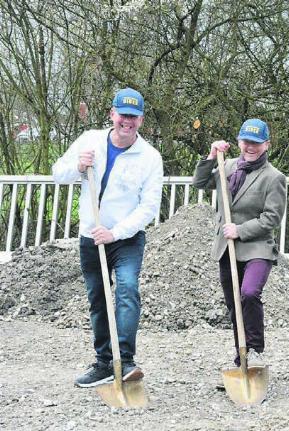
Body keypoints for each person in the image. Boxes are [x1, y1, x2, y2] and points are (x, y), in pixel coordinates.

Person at [52, 88, 163, 387]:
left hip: (126, 240)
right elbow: (57, 173)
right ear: (112, 114)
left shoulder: (150, 157)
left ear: (141, 120)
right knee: (98, 300)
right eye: (122, 115)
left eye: (133, 117)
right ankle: (104, 363)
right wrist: (77, 166)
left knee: (127, 290)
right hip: (91, 237)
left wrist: (115, 231)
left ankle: (125, 360)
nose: (127, 122)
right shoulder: (89, 140)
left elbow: (149, 207)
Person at [192, 119, 287, 371]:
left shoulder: (274, 178)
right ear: (238, 142)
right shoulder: (228, 166)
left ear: (266, 144)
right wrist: (212, 156)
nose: (250, 147)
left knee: (248, 293)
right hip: (227, 249)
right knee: (234, 304)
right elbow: (200, 183)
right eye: (246, 141)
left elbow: (272, 218)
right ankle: (241, 359)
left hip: (257, 248)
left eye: (256, 143)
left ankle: (254, 349)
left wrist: (240, 230)